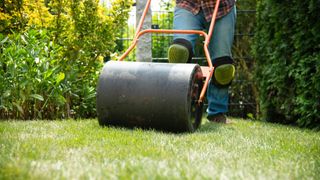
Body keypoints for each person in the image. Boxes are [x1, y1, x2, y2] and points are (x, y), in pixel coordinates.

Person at [168, 0, 236, 123]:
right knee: (179, 52)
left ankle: (217, 113)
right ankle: (175, 105)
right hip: (188, 4)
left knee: (223, 67)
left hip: (222, 8)